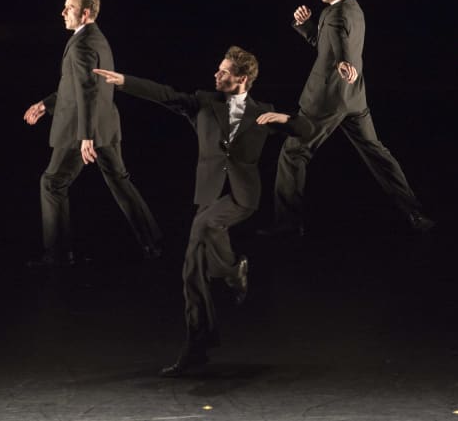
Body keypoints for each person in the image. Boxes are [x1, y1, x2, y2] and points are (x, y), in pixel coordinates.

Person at [94, 45, 312, 377]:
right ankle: (198, 346)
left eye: (224, 71)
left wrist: (285, 118)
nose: (216, 74)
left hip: (241, 197)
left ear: (241, 79)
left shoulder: (262, 112)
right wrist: (124, 81)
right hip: (209, 195)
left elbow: (307, 130)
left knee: (206, 225)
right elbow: (165, 94)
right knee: (191, 273)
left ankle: (229, 271)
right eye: (218, 69)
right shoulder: (204, 103)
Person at [260, 0, 434, 237]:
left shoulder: (337, 17)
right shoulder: (352, 9)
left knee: (293, 153)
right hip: (353, 98)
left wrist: (344, 64)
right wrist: (306, 27)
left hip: (327, 99)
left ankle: (288, 225)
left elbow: (340, 46)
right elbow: (327, 43)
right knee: (377, 154)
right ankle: (416, 213)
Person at [23, 0, 162, 267]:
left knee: (52, 183)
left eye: (69, 8)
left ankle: (58, 255)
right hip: (105, 126)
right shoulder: (95, 38)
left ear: (85, 13)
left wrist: (85, 136)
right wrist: (46, 104)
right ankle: (153, 244)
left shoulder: (83, 44)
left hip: (80, 129)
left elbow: (86, 90)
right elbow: (78, 86)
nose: (63, 12)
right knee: (120, 182)